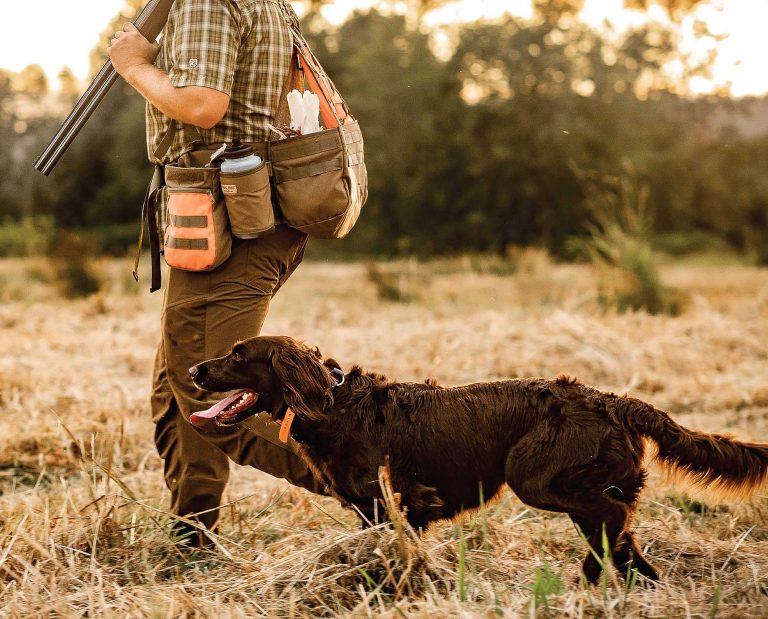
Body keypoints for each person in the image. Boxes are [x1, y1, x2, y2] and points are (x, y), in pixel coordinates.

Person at [108, 0, 324, 545]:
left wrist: (134, 66)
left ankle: (380, 481)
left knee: (215, 396)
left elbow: (204, 105)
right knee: (179, 390)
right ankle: (192, 535)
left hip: (229, 223)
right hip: (233, 217)